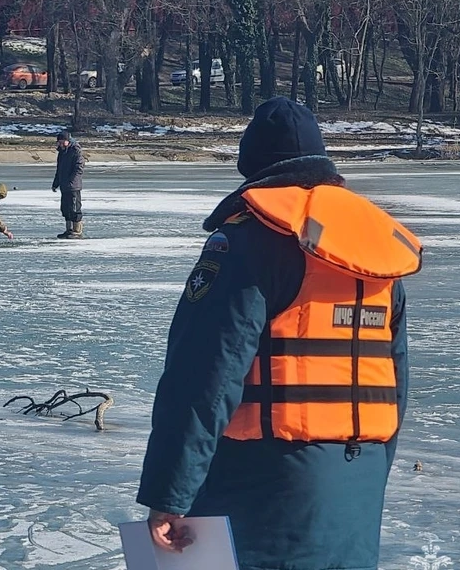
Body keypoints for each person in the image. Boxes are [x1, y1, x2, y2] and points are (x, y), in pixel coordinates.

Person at [136, 97, 423, 570]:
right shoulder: (374, 249)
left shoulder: (250, 242)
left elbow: (206, 376)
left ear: (251, 167)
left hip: (265, 484)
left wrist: (170, 492)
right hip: (358, 479)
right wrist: (369, 472)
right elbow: (396, 379)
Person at [51, 131, 85, 239]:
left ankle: (77, 231)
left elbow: (79, 168)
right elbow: (59, 170)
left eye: (62, 142)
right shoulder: (62, 153)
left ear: (68, 141)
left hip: (73, 186)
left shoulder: (76, 151)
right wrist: (55, 183)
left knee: (75, 208)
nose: (60, 144)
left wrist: (71, 181)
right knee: (65, 208)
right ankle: (68, 229)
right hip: (64, 186)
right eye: (59, 142)